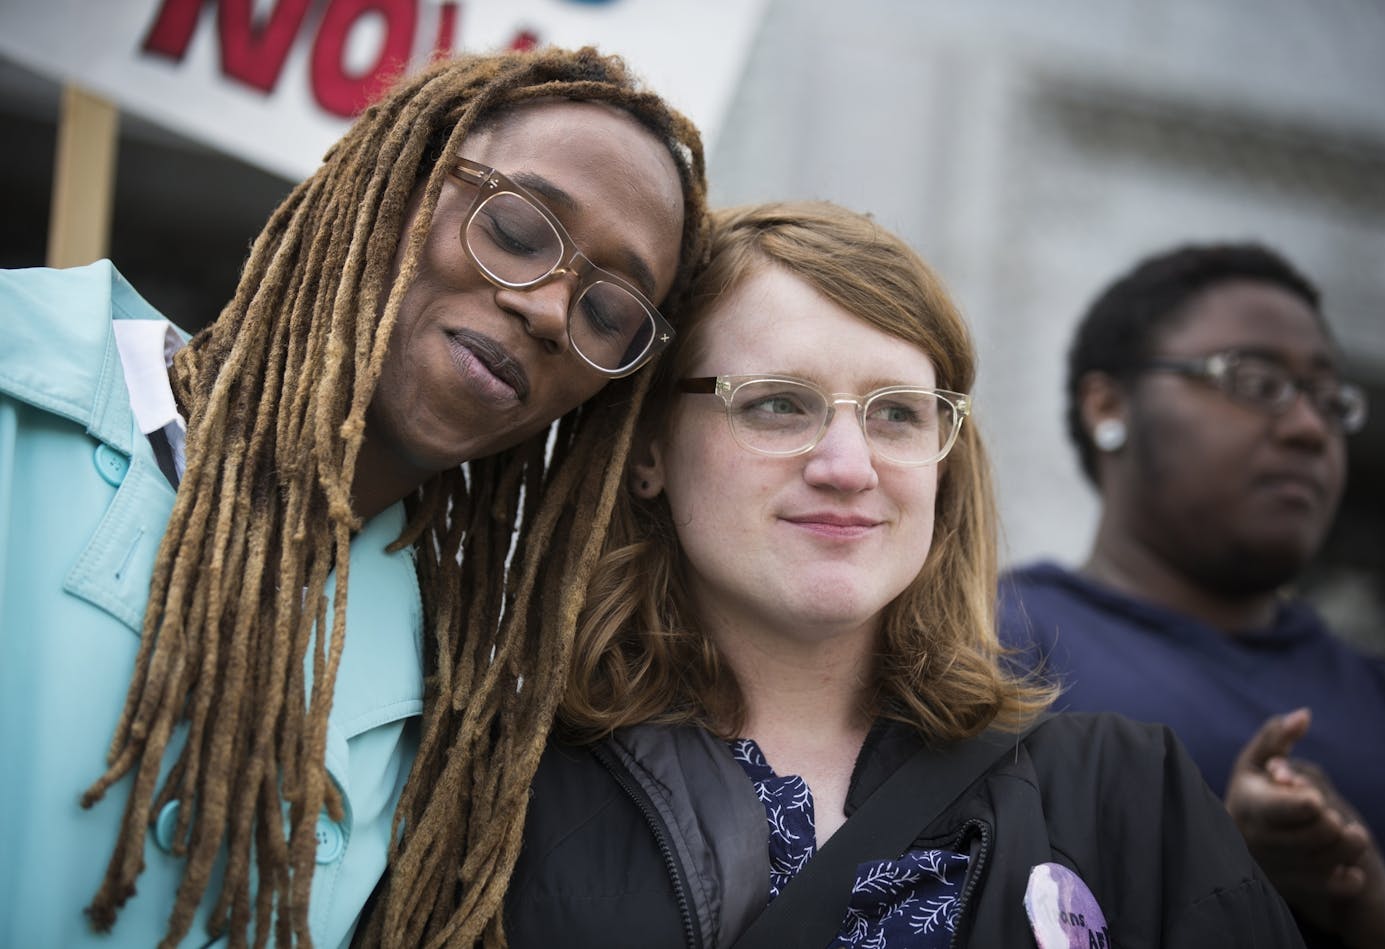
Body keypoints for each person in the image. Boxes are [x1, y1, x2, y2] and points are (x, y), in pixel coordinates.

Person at [0, 46, 708, 947]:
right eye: (520, 231)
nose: (547, 310)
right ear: (396, 181)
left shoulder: (459, 688)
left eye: (609, 313)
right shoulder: (18, 380)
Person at [501, 203, 1304, 947]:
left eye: (897, 413)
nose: (848, 468)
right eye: (778, 403)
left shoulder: (1130, 795)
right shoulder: (502, 782)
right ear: (649, 449)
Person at [998, 243, 1385, 948]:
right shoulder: (982, 648)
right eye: (1254, 380)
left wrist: (1373, 905)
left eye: (1327, 399)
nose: (1308, 428)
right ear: (1109, 405)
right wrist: (1213, 860)